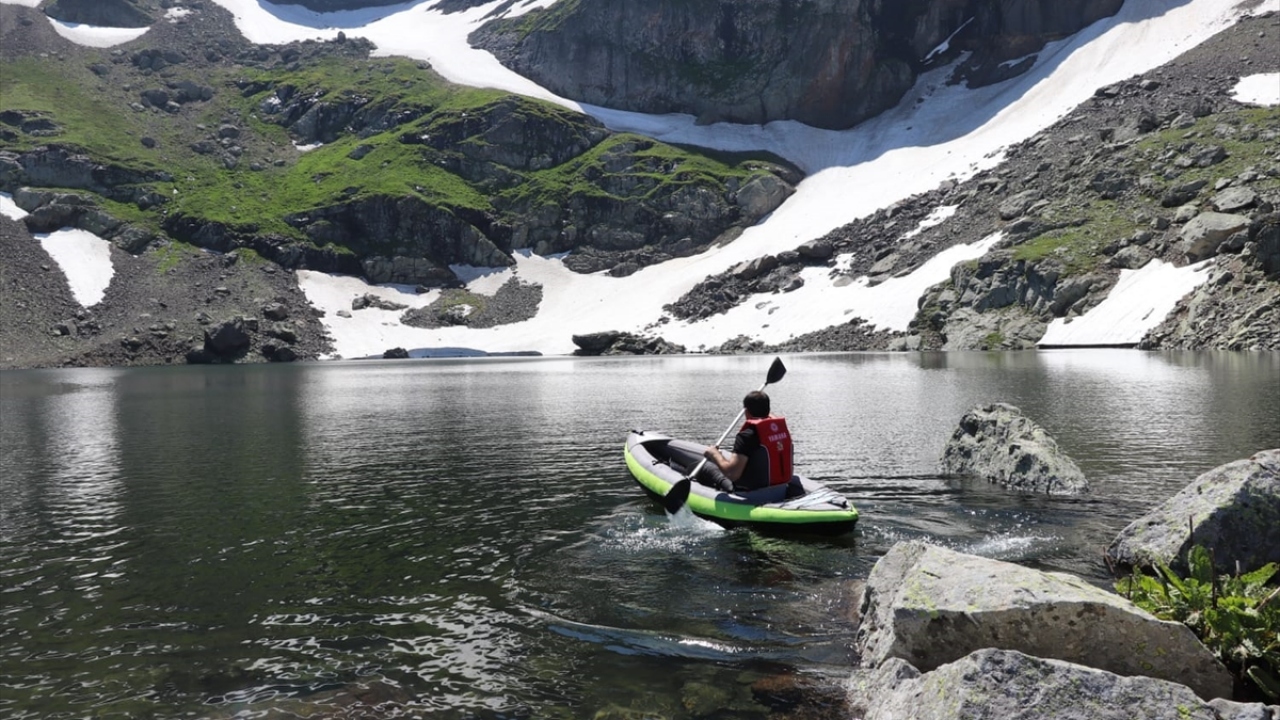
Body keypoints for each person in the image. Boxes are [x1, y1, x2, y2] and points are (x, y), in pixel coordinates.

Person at [700, 390, 794, 493]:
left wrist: (714, 454)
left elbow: (732, 474)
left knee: (708, 467)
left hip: (750, 495)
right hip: (780, 490)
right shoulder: (782, 431)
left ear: (746, 411)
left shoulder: (747, 435)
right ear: (768, 409)